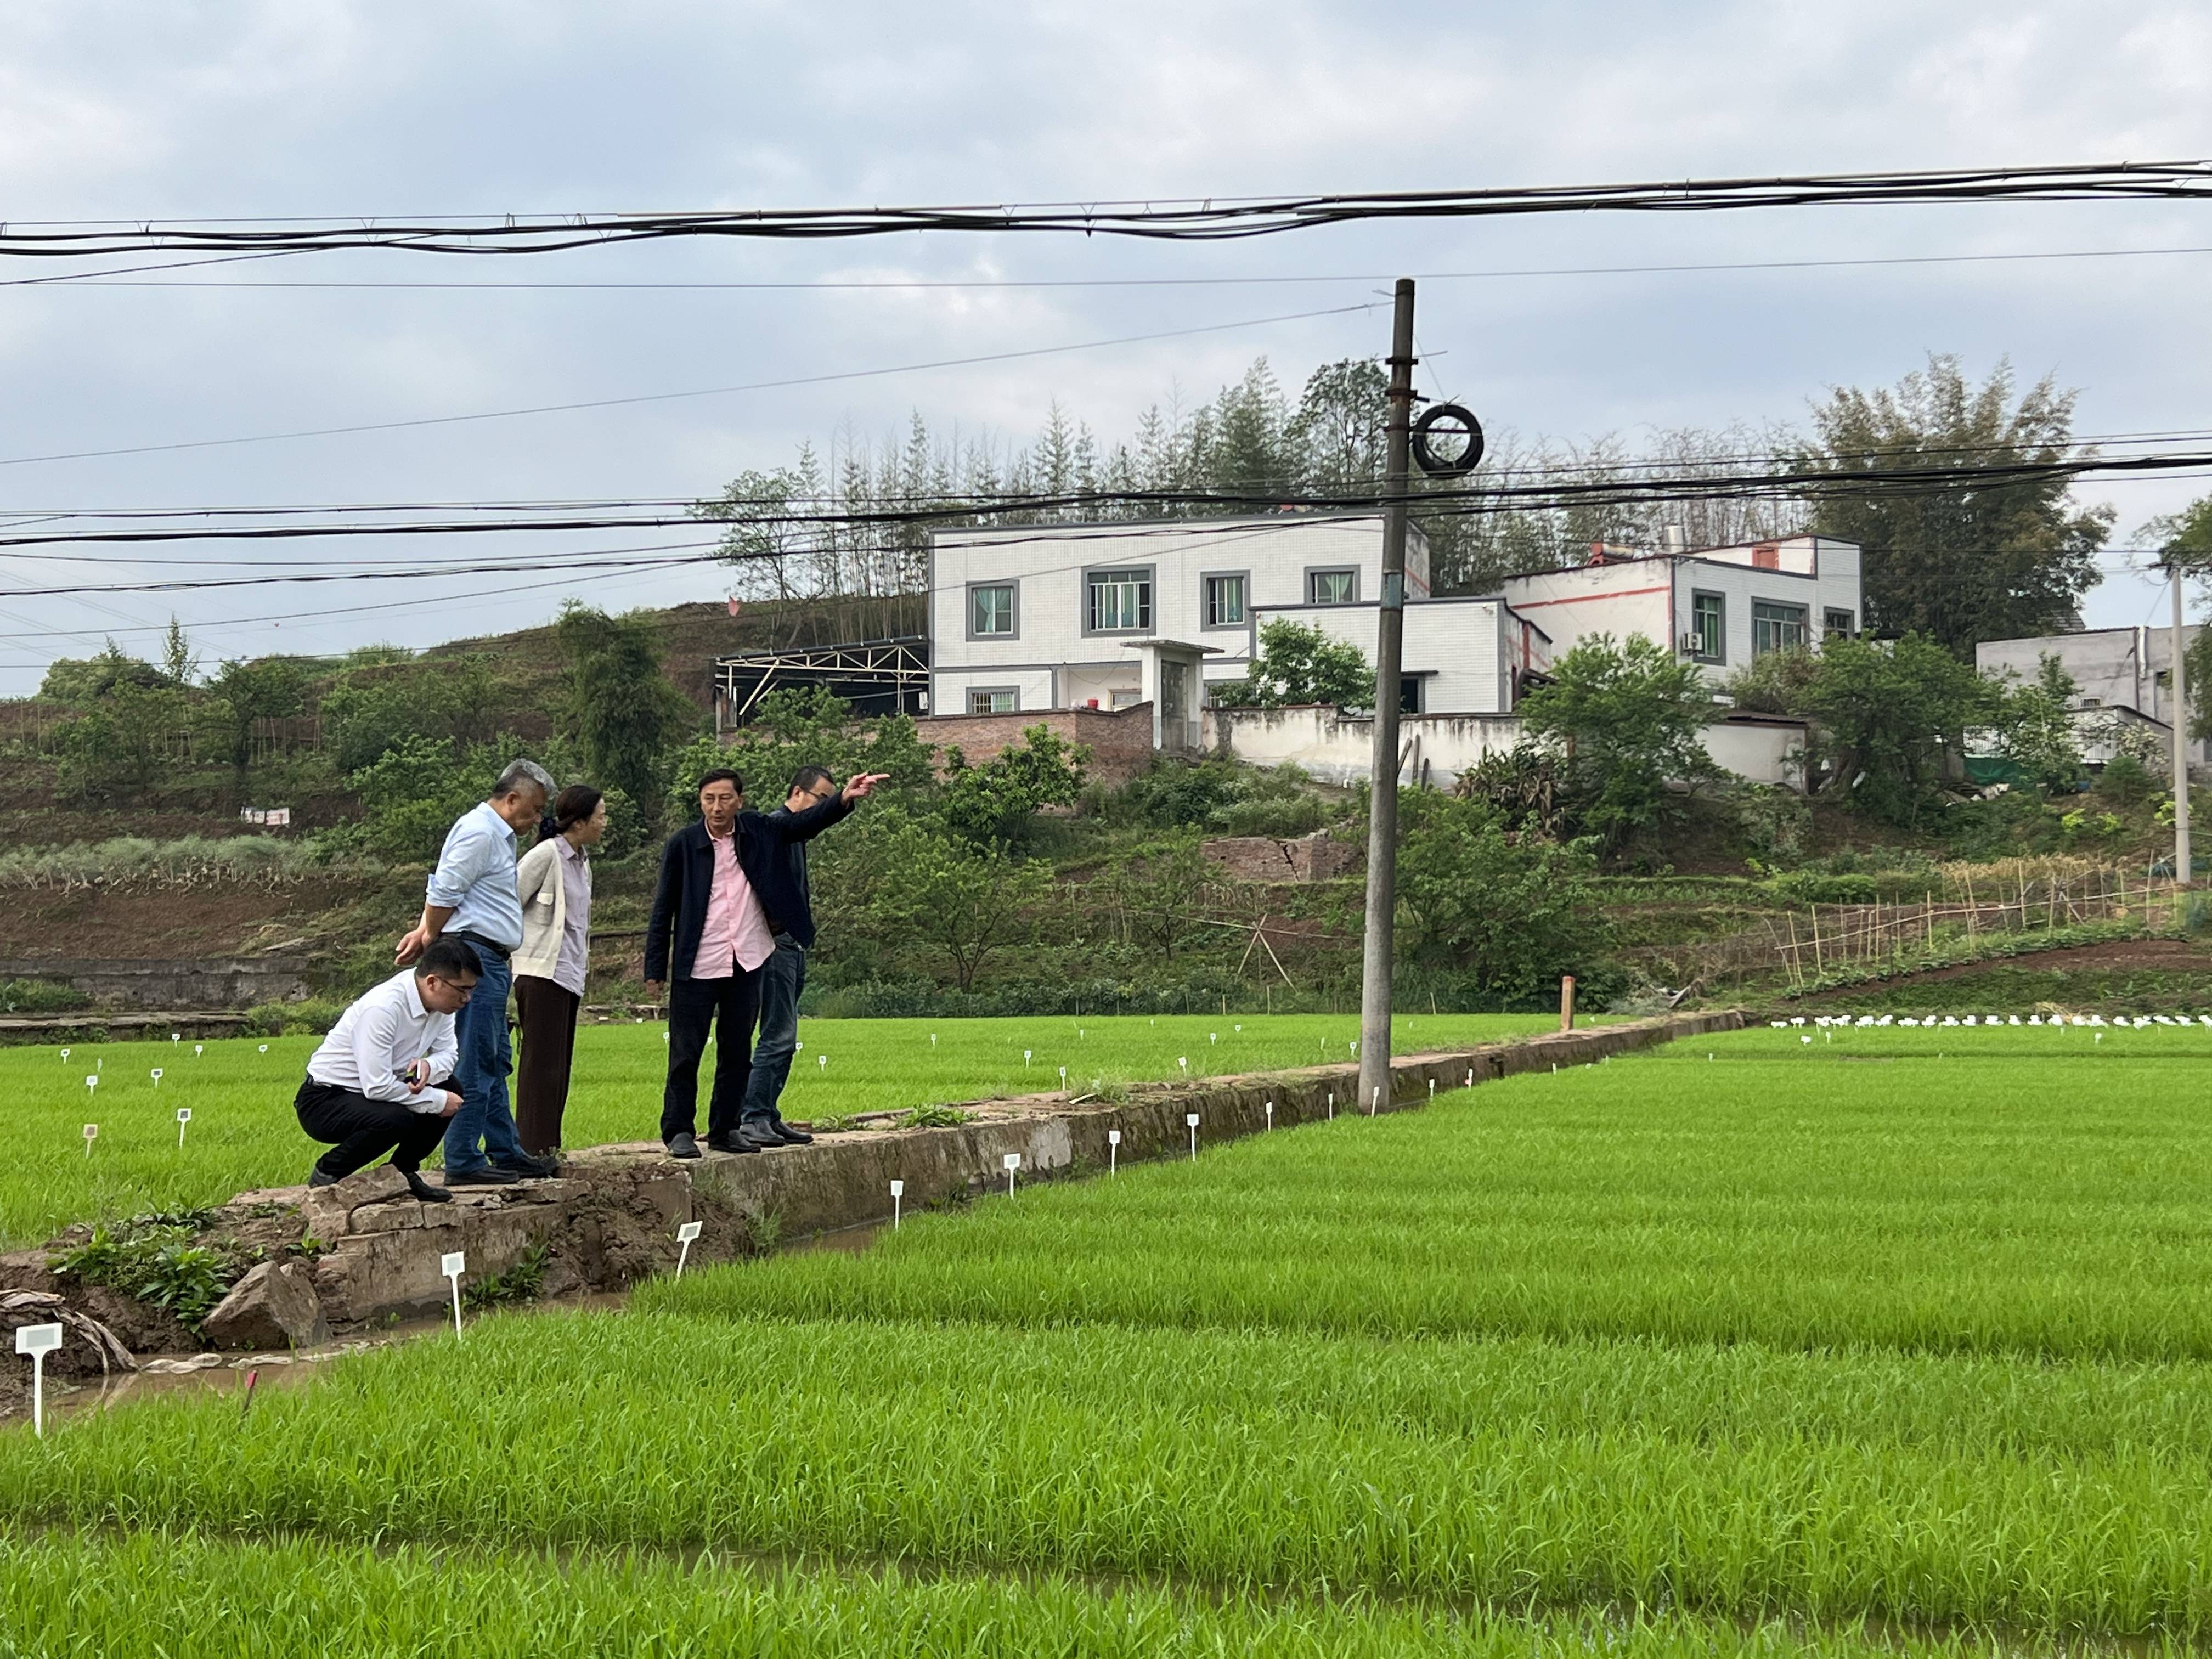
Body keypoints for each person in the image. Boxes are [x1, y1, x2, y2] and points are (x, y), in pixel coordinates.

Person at [644, 764, 887, 1158]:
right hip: (698, 962)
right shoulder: (683, 844)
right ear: (701, 802)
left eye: (725, 799)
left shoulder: (759, 830)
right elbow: (663, 909)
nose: (717, 807)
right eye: (709, 799)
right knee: (686, 1054)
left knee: (737, 1051)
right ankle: (679, 1131)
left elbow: (804, 824)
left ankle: (725, 1128)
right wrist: (655, 969)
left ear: (740, 801)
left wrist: (842, 799)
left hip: (747, 958)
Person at [395, 757, 557, 1186]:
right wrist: (432, 937)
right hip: (475, 956)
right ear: (512, 798)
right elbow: (445, 888)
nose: (538, 818)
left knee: (493, 1059)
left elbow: (460, 895)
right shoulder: (479, 831)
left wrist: (425, 929)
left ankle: (505, 1151)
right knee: (475, 1061)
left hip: (490, 958)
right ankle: (464, 1159)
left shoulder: (499, 837)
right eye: (535, 809)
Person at [295, 935, 481, 1200]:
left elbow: (449, 1054)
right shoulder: (383, 1008)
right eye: (462, 990)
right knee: (398, 1118)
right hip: (325, 1100)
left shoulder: (442, 1007)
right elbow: (377, 1086)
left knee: (451, 1086)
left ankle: (403, 1173)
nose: (467, 999)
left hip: (372, 1093)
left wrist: (429, 1065)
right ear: (433, 982)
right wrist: (437, 1101)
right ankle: (328, 1174)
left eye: (471, 990)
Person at [735, 765, 840, 1150]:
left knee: (785, 1034)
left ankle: (768, 1112)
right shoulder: (775, 828)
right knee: (778, 1033)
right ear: (798, 793)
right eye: (820, 800)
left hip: (792, 945)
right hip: (776, 945)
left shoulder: (795, 835)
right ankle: (754, 1116)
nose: (822, 809)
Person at [512, 783, 606, 1158]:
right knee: (540, 1068)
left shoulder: (582, 863)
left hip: (568, 973)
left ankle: (548, 1146)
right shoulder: (546, 855)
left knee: (558, 1067)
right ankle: (531, 1149)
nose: (604, 823)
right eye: (600, 816)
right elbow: (509, 901)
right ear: (580, 821)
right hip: (540, 973)